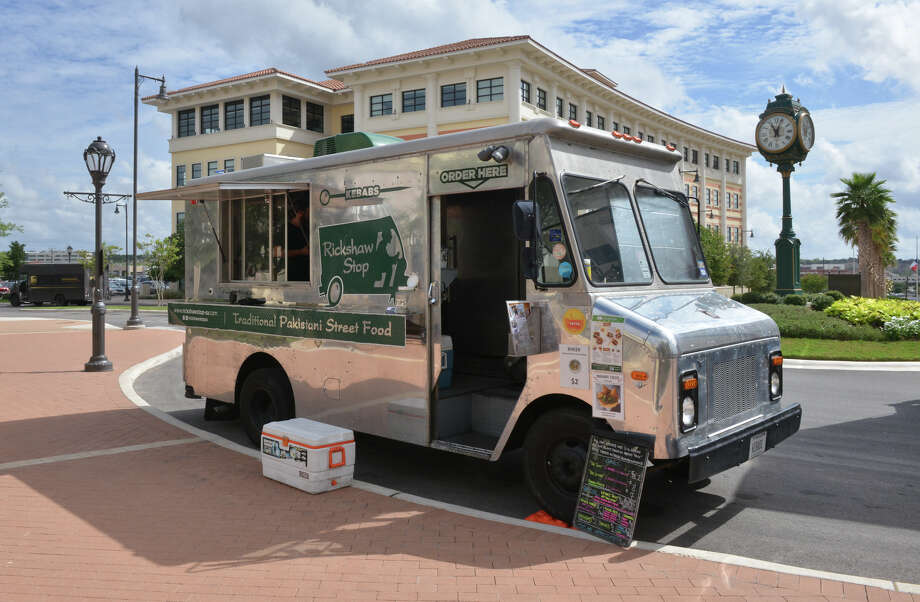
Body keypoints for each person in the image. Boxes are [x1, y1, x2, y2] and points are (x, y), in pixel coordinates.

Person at [286, 192, 309, 281]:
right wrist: (301, 252)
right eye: (306, 212)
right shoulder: (286, 229)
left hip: (307, 275)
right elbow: (277, 253)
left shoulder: (305, 228)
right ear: (300, 213)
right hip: (294, 276)